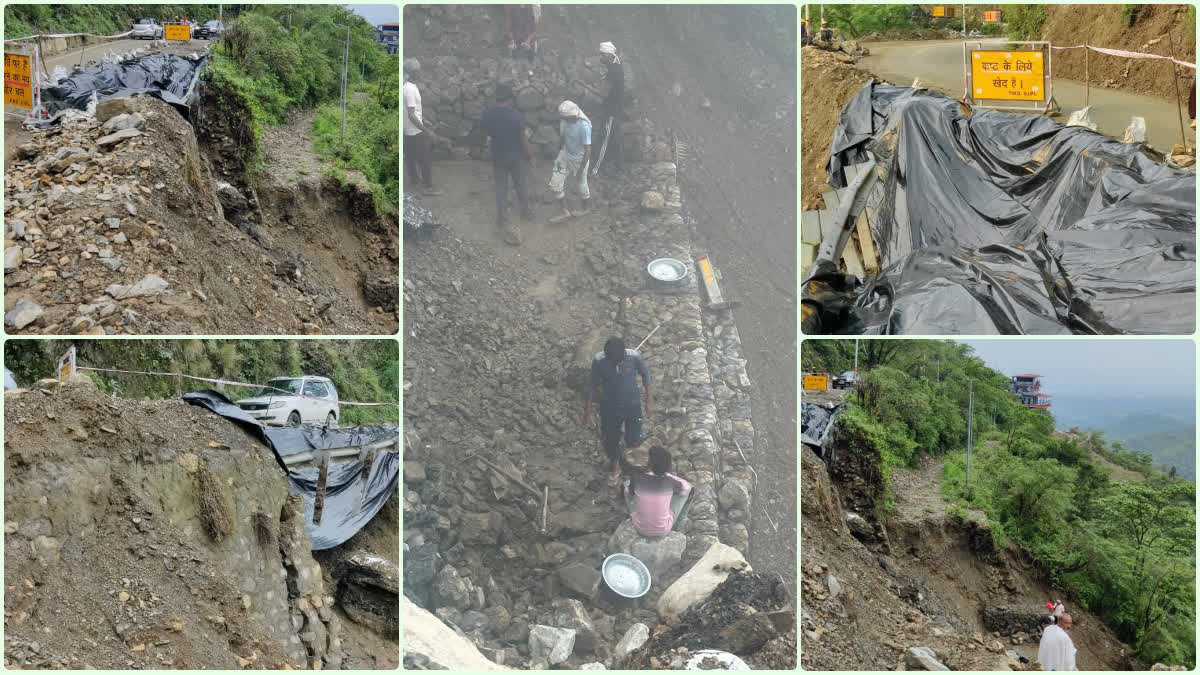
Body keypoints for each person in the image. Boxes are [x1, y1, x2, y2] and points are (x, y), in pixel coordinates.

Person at [584, 336, 654, 486]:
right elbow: (592, 385)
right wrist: (588, 411)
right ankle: (616, 467)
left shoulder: (634, 356)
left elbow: (646, 375)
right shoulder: (599, 360)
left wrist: (649, 400)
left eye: (619, 360)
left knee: (635, 438)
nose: (617, 363)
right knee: (610, 438)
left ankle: (635, 468)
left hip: (632, 406)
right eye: (613, 361)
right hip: (610, 407)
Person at [480, 82, 535, 245]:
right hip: (516, 156)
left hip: (498, 156)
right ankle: (526, 212)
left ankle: (503, 218)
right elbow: (523, 139)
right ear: (510, 98)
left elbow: (485, 132)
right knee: (521, 184)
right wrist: (530, 156)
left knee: (501, 187)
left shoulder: (487, 114)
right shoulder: (516, 116)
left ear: (497, 98)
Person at [622, 446, 693, 537]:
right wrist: (669, 476)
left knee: (626, 485)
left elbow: (629, 492)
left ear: (649, 463)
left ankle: (633, 512)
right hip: (663, 530)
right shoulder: (670, 482)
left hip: (639, 527)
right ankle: (681, 522)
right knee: (689, 490)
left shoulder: (637, 478)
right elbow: (686, 489)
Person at [547, 100, 591, 223]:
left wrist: (581, 170)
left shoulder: (584, 127)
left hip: (579, 159)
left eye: (565, 117)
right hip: (565, 154)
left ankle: (585, 208)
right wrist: (559, 151)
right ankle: (564, 211)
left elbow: (587, 151)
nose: (563, 119)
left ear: (573, 115)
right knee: (555, 183)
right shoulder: (565, 121)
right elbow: (563, 137)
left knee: (581, 183)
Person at [403, 58, 441, 196]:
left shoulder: (406, 87)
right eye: (418, 71)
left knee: (410, 158)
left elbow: (410, 112)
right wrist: (426, 130)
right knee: (425, 159)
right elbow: (412, 115)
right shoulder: (410, 90)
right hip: (415, 131)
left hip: (408, 130)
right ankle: (428, 187)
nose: (421, 73)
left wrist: (424, 119)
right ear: (412, 73)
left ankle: (414, 182)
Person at [594, 41, 625, 175]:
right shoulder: (617, 66)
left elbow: (603, 93)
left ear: (608, 55)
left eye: (602, 55)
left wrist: (593, 91)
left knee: (603, 140)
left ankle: (594, 169)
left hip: (611, 111)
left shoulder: (613, 71)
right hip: (615, 109)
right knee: (615, 139)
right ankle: (619, 168)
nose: (600, 58)